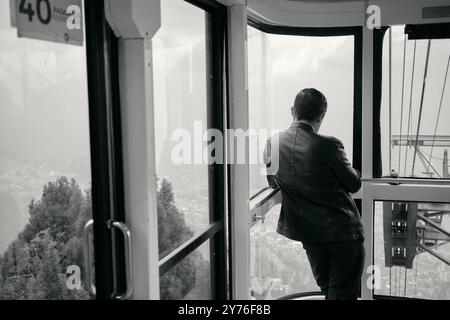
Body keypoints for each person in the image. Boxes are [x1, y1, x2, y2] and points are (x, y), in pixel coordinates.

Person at [264, 88, 365, 300]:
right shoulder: (329, 145)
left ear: (293, 110)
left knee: (329, 290)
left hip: (309, 234)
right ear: (322, 116)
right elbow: (354, 183)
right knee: (343, 294)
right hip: (343, 233)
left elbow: (273, 182)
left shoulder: (272, 144)